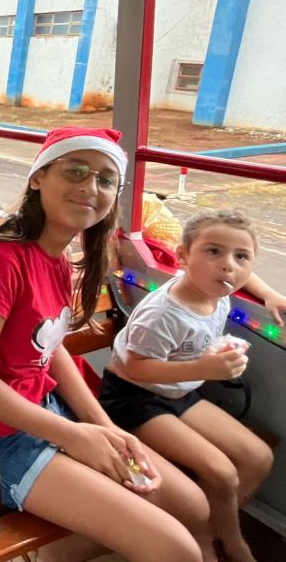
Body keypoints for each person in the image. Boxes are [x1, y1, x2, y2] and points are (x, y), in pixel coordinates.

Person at [0, 126, 212, 562]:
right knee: (177, 550)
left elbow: (50, 348)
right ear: (38, 178)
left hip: (46, 410)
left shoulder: (59, 258)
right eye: (75, 171)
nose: (90, 187)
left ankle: (60, 552)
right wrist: (74, 436)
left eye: (105, 179)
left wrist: (104, 427)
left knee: (193, 507)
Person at [100, 210, 281, 562]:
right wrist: (203, 368)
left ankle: (205, 531)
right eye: (213, 251)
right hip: (134, 397)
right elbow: (134, 367)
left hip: (179, 390)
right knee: (222, 473)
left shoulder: (219, 287)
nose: (228, 266)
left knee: (259, 458)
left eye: (241, 256)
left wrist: (269, 294)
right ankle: (230, 543)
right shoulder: (163, 313)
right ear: (183, 256)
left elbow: (242, 274)